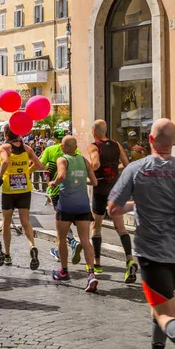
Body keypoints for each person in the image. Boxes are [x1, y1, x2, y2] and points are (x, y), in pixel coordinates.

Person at [109, 119, 175, 349]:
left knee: (166, 314)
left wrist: (136, 204)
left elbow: (113, 208)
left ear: (150, 139)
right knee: (162, 305)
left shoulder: (136, 168)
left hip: (151, 253)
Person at [88, 119, 138, 283]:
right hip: (115, 188)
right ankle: (129, 259)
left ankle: (97, 263)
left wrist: (88, 171)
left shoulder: (94, 146)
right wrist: (113, 170)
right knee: (120, 227)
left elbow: (95, 164)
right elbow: (126, 164)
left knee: (96, 226)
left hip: (101, 188)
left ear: (95, 131)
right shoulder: (116, 144)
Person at [49, 136, 99, 292]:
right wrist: (81, 181)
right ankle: (91, 273)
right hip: (83, 206)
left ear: (63, 147)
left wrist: (53, 183)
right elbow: (94, 182)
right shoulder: (84, 160)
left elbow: (62, 176)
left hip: (66, 206)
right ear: (76, 147)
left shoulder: (62, 160)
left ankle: (64, 271)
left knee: (61, 238)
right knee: (85, 239)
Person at [0, 124, 45, 269]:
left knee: (6, 223)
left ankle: (7, 254)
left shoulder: (3, 148)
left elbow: (6, 161)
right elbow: (40, 164)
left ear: (6, 135)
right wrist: (27, 171)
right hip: (25, 189)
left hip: (9, 189)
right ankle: (32, 246)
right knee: (25, 222)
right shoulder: (27, 148)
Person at [42, 129, 83, 265]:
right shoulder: (75, 151)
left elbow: (40, 165)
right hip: (74, 190)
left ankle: (70, 243)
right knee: (75, 221)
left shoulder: (50, 150)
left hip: (56, 190)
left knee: (61, 223)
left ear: (54, 138)